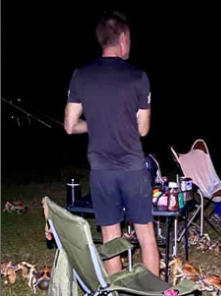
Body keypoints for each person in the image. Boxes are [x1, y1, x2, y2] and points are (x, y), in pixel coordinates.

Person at [64, 10, 159, 277]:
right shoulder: (138, 77)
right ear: (123, 38)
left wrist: (95, 123)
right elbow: (143, 129)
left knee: (110, 236)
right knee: (146, 236)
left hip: (101, 171)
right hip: (132, 168)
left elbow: (71, 126)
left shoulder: (81, 75)